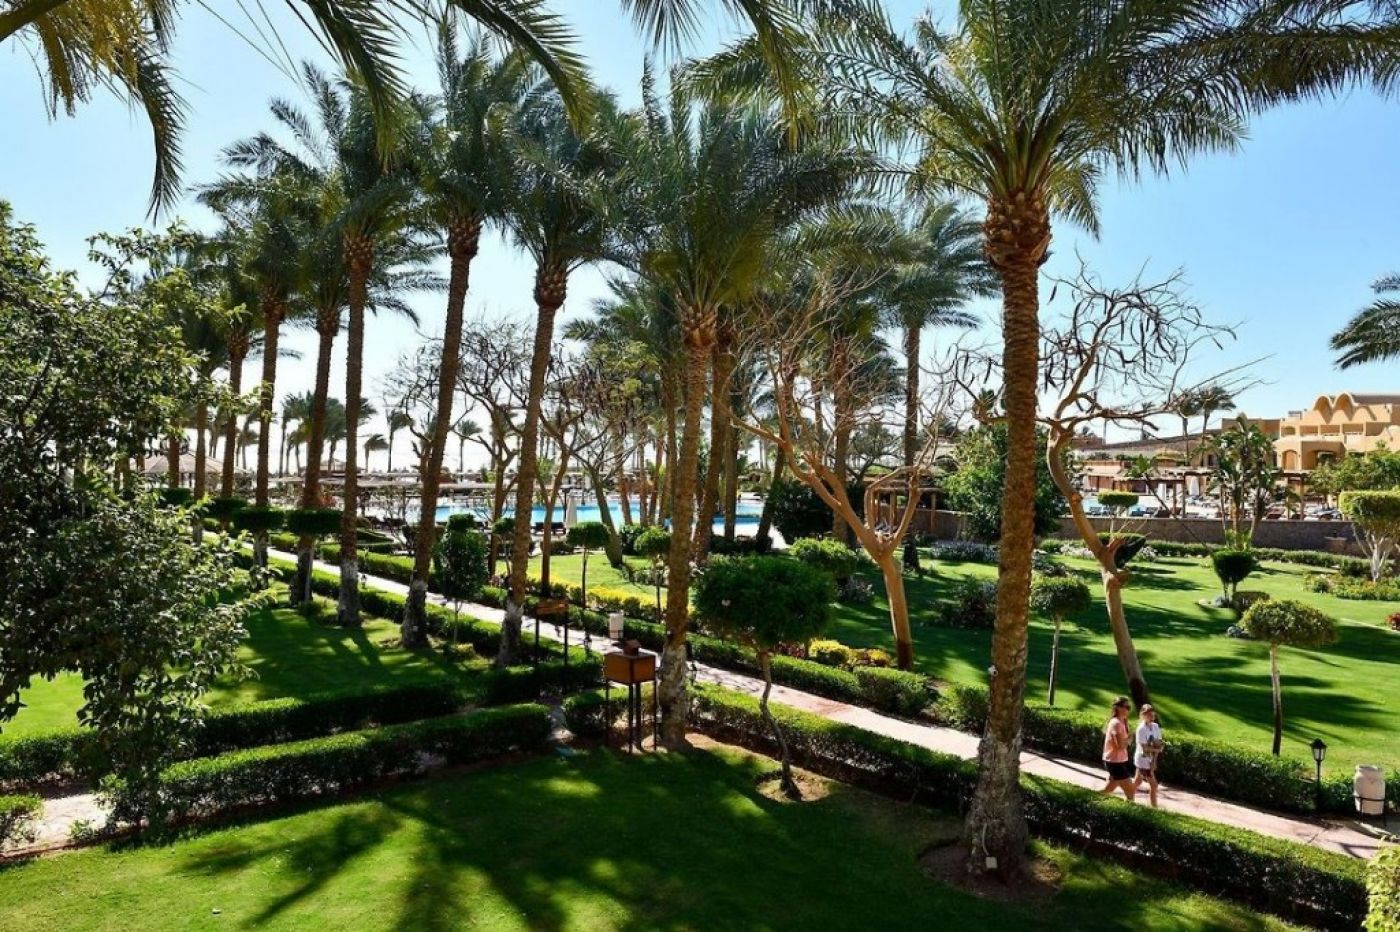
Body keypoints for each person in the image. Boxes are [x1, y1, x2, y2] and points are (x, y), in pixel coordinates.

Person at [1100, 696, 1136, 801]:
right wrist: (1130, 738)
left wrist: (1129, 738)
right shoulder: (1116, 723)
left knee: (1108, 790)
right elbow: (1120, 746)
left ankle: (1087, 798)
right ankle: (1130, 812)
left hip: (1118, 760)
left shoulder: (1122, 722)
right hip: (1115, 762)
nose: (1128, 710)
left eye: (1129, 707)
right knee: (1130, 791)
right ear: (1118, 707)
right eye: (1126, 707)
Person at [1133, 703, 1165, 808]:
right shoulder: (1141, 729)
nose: (1151, 716)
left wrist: (1154, 760)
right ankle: (1154, 808)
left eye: (1152, 714)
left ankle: (1128, 797)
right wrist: (1157, 749)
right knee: (1154, 785)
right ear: (1143, 715)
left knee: (1137, 781)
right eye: (1149, 715)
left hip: (1150, 759)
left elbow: (1158, 743)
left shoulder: (1155, 727)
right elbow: (1145, 748)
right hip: (1143, 760)